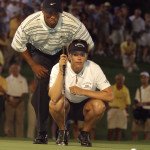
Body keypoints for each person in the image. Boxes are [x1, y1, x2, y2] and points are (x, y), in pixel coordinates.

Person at [11, 0, 94, 144]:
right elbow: (18, 44)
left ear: (60, 13)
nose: (53, 16)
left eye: (56, 13)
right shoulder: (30, 23)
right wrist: (33, 65)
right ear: (42, 11)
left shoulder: (71, 22)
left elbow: (88, 44)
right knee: (42, 87)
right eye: (49, 13)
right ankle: (42, 133)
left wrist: (72, 60)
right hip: (39, 52)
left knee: (63, 88)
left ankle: (62, 131)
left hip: (63, 52)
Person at [49, 39, 113, 147]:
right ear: (69, 56)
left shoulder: (94, 68)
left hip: (85, 105)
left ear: (86, 56)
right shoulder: (57, 67)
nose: (79, 57)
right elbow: (54, 98)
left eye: (82, 54)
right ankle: (62, 132)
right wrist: (61, 70)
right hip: (66, 105)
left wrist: (82, 91)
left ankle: (84, 133)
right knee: (54, 104)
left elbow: (110, 96)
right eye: (75, 54)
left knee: (99, 106)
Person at [4, 63, 28, 137]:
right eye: (13, 69)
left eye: (16, 69)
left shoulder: (23, 79)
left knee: (19, 121)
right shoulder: (7, 79)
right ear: (10, 70)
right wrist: (10, 101)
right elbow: (5, 92)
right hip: (9, 101)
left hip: (20, 102)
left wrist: (17, 102)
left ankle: (19, 137)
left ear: (19, 70)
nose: (14, 70)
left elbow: (24, 93)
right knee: (9, 120)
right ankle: (9, 136)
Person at [107, 73, 131, 141]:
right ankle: (109, 145)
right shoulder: (111, 88)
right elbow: (106, 99)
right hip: (112, 109)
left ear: (124, 80)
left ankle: (117, 145)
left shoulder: (126, 90)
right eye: (118, 79)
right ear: (116, 80)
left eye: (121, 80)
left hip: (122, 110)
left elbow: (128, 103)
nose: (120, 81)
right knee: (110, 129)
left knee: (119, 129)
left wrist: (127, 114)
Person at [131, 71, 150, 140]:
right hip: (139, 112)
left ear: (148, 78)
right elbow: (136, 100)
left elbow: (141, 103)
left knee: (147, 132)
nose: (143, 79)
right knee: (134, 131)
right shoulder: (139, 89)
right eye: (142, 78)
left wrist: (143, 103)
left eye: (145, 77)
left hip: (148, 112)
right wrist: (135, 105)